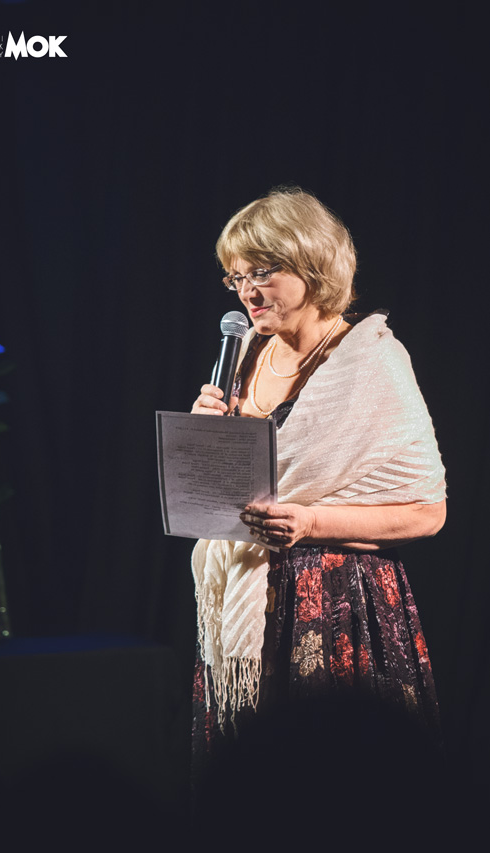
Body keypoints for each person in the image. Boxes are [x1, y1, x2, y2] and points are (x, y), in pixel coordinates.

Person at [189, 187, 446, 781]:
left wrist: (309, 521)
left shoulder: (370, 360)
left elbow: (427, 511)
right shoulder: (245, 354)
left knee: (336, 787)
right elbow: (232, 490)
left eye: (263, 272)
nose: (248, 292)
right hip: (248, 598)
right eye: (236, 278)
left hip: (334, 602)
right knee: (254, 788)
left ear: (312, 264)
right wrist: (207, 438)